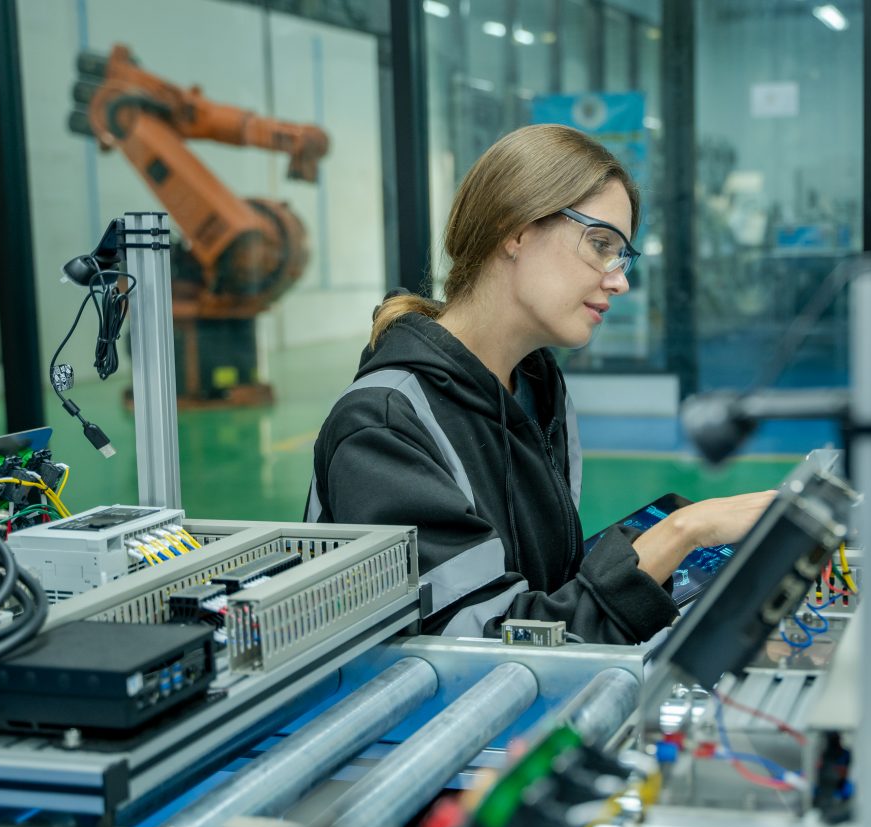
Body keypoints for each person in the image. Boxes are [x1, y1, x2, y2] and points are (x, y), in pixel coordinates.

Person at [306, 124, 773, 643]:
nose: (620, 280)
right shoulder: (384, 424)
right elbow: (489, 650)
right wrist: (682, 534)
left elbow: (548, 594)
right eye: (600, 244)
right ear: (515, 230)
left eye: (622, 255)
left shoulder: (537, 388)